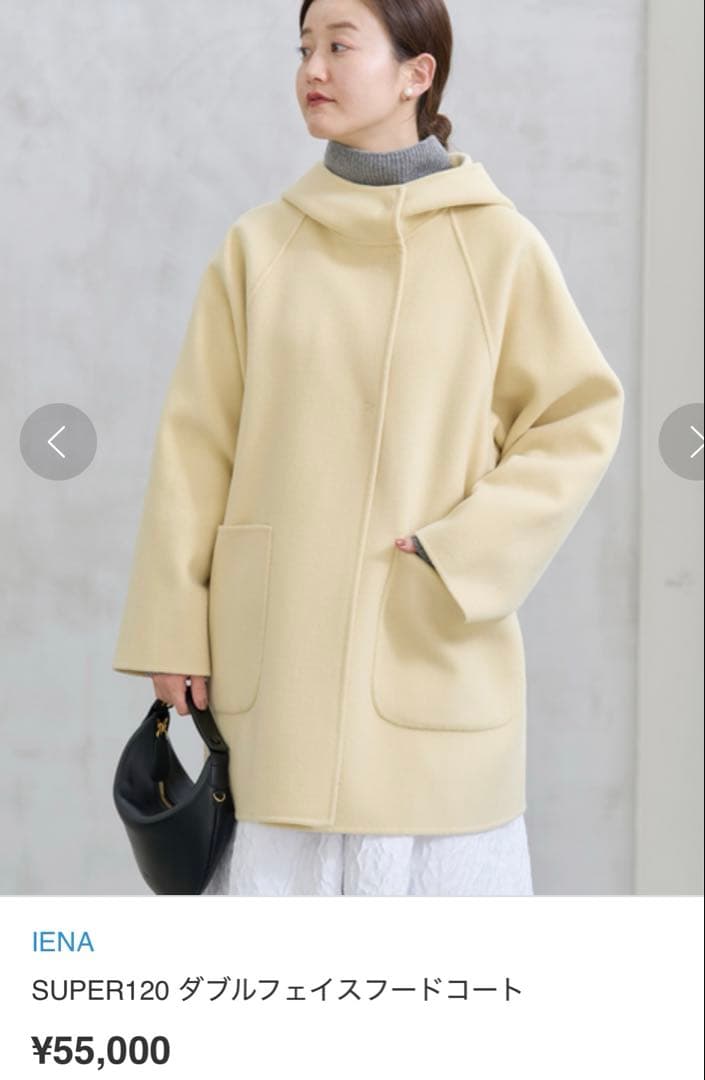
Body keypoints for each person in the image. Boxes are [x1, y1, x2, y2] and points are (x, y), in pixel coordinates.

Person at [113, 0, 625, 896]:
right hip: (278, 664)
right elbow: (195, 447)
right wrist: (174, 624)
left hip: (428, 653)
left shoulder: (495, 246)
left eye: (340, 46)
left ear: (415, 73)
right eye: (304, 47)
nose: (312, 68)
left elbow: (576, 417)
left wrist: (456, 554)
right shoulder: (259, 248)